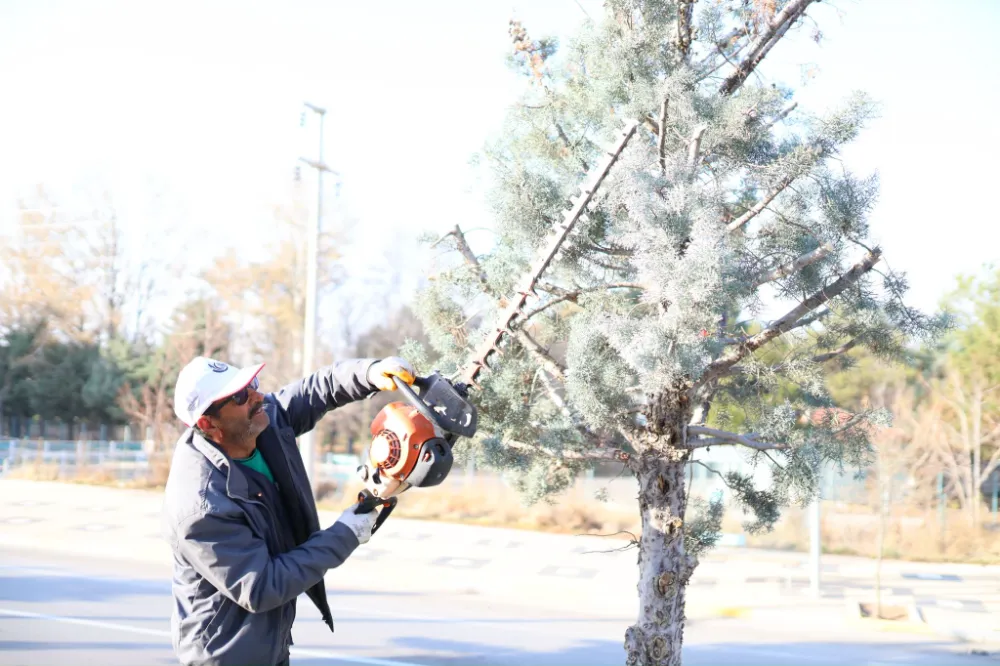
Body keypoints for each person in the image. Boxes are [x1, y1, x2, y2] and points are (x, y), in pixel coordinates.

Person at [162, 354, 415, 666]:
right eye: (241, 396)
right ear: (207, 423)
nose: (258, 397)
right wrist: (346, 533)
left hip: (269, 645)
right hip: (227, 654)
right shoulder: (202, 507)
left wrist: (369, 373)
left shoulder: (259, 422)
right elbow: (262, 585)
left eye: (251, 384)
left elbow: (318, 389)